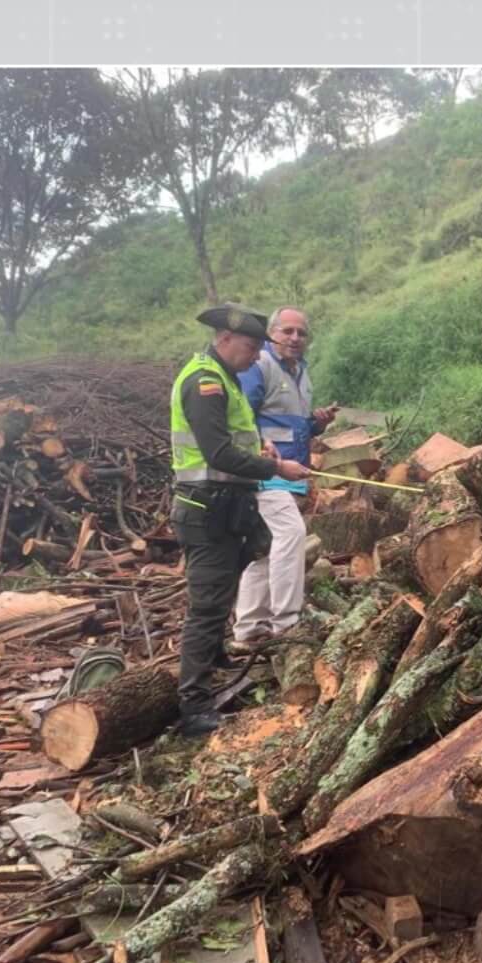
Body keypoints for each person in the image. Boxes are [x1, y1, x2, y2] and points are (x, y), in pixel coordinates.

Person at [169, 303, 311, 736]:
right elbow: (218, 453)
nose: (255, 357)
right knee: (207, 607)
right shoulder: (204, 383)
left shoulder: (226, 378)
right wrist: (276, 469)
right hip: (205, 507)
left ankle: (215, 659)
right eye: (250, 347)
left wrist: (262, 449)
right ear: (224, 339)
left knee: (227, 584)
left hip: (228, 504)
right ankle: (194, 704)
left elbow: (239, 438)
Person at [232, 306, 339, 644]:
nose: (295, 338)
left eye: (301, 333)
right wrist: (262, 452)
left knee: (266, 546)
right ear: (272, 334)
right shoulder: (259, 365)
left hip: (291, 470)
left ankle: (248, 628)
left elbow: (293, 425)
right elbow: (240, 416)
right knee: (291, 534)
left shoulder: (301, 373)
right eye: (287, 331)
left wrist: (317, 423)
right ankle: (286, 623)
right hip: (264, 470)